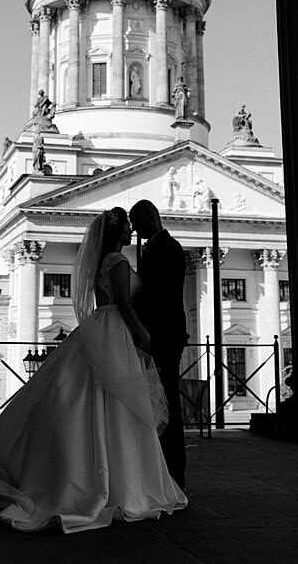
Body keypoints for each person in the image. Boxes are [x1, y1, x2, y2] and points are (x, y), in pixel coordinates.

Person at [0, 208, 186, 531]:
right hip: (118, 330)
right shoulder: (120, 262)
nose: (132, 231)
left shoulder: (108, 260)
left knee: (92, 400)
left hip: (104, 328)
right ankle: (121, 480)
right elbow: (125, 304)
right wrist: (142, 333)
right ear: (118, 233)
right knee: (115, 404)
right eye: (127, 226)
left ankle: (93, 474)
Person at [130, 199, 189, 488]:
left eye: (138, 224)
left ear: (152, 217)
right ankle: (160, 468)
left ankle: (175, 472)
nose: (136, 232)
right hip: (157, 336)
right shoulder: (154, 247)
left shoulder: (168, 248)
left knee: (167, 404)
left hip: (163, 337)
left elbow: (163, 297)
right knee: (158, 402)